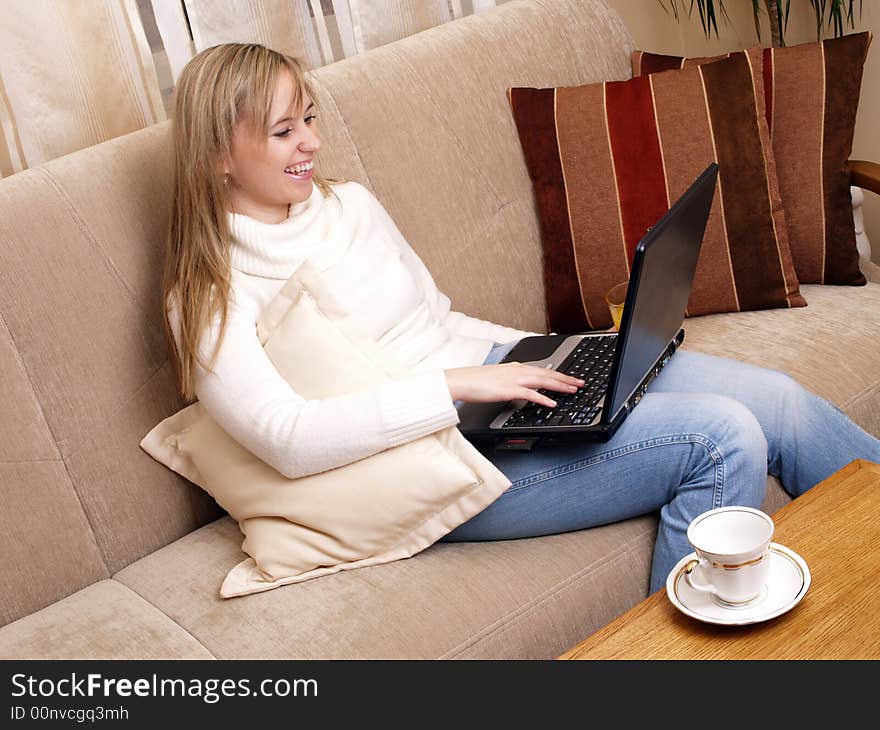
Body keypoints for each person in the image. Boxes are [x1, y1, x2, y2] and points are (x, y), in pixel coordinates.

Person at [162, 43, 880, 594]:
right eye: (284, 132)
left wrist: (557, 355)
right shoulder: (209, 294)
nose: (312, 144)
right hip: (434, 464)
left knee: (778, 400)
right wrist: (459, 386)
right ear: (220, 153)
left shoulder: (346, 204)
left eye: (310, 119)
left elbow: (435, 318)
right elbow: (288, 441)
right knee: (722, 437)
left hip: (492, 392)